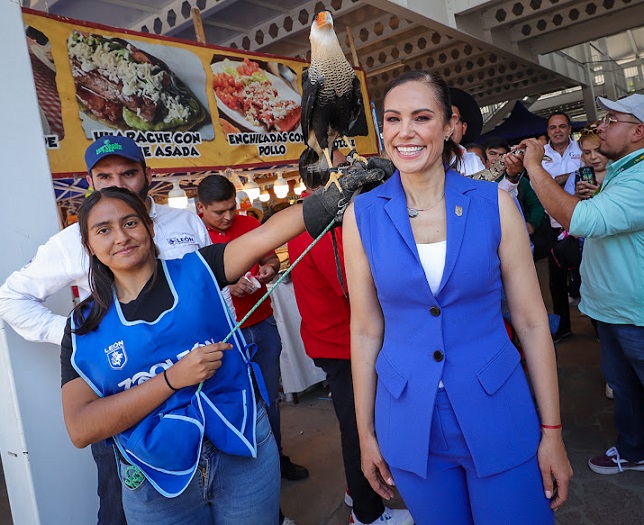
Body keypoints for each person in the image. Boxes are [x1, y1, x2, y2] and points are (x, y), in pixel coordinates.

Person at [61, 156, 387, 523]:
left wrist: (331, 197)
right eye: (103, 230)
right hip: (157, 479)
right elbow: (81, 427)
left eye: (130, 222)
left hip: (242, 450)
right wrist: (171, 380)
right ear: (88, 245)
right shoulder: (83, 325)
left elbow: (267, 235)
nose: (121, 237)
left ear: (149, 228)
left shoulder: (198, 269)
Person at [342, 70, 572, 524]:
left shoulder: (493, 204)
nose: (404, 131)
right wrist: (365, 433)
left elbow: (529, 321)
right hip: (408, 420)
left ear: (449, 126)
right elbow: (367, 329)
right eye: (392, 119)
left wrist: (552, 431)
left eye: (421, 117)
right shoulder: (362, 215)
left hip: (497, 410)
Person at [0, 135, 221, 525]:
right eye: (104, 176)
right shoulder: (74, 241)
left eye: (128, 173)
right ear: (90, 181)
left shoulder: (185, 221)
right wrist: (80, 341)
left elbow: (212, 291)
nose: (117, 184)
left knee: (222, 478)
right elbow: (11, 298)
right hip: (128, 392)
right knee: (123, 499)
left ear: (147, 175)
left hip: (205, 380)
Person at [519, 94, 644, 476]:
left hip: (635, 314)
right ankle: (634, 448)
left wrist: (533, 167)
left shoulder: (639, 176)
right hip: (613, 309)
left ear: (638, 131)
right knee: (625, 389)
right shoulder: (624, 169)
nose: (601, 126)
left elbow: (581, 220)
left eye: (611, 119)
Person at [287, 172, 413, 525]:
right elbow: (354, 289)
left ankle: (356, 490)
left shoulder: (308, 221)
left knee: (356, 423)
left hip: (331, 338)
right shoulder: (323, 228)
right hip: (341, 343)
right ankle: (367, 514)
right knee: (359, 428)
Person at [196, 175, 309, 484]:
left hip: (263, 324)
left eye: (231, 208)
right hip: (225, 336)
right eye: (219, 212)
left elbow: (271, 256)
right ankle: (245, 472)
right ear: (200, 208)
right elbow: (189, 285)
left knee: (269, 397)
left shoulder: (250, 225)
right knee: (236, 403)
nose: (228, 217)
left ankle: (276, 459)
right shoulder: (193, 234)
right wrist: (227, 286)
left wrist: (270, 267)